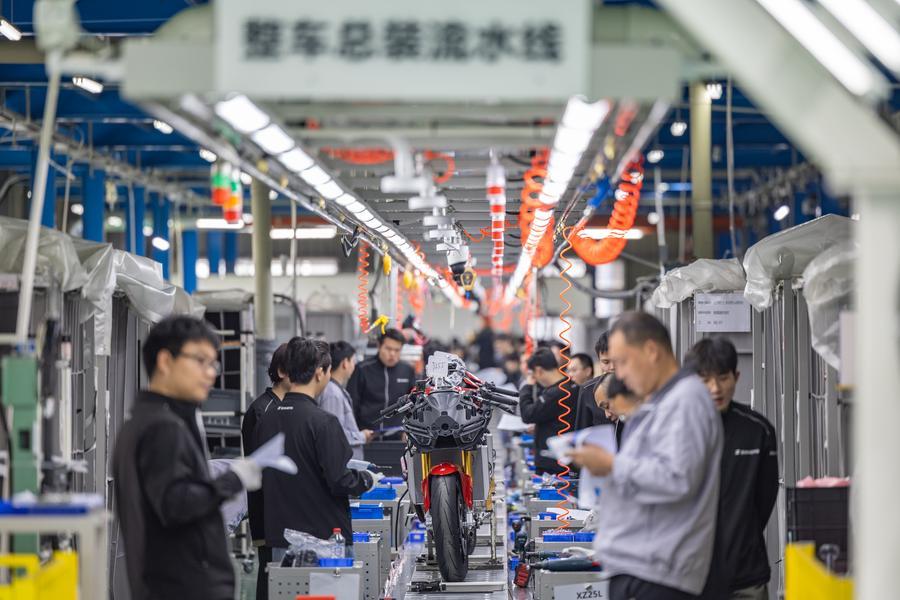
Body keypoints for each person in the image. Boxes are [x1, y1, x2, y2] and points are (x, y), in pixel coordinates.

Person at [570, 312, 722, 600]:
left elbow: (678, 478)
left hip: (661, 573)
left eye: (623, 362)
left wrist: (612, 464)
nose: (620, 374)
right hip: (640, 567)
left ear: (651, 351)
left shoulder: (686, 401)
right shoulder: (659, 402)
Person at [113, 316, 263, 600]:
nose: (210, 373)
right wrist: (232, 481)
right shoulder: (162, 427)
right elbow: (176, 504)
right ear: (165, 361)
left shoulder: (144, 420)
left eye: (213, 364)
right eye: (200, 361)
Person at [259, 337, 377, 559]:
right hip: (323, 540)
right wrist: (367, 480)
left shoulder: (266, 418)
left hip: (280, 538)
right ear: (320, 373)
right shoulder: (323, 422)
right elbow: (340, 480)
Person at [685, 338, 778, 600]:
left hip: (745, 576)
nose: (715, 388)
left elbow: (764, 499)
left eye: (723, 377)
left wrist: (740, 535)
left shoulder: (757, 430)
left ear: (736, 377)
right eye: (705, 380)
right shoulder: (674, 428)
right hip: (688, 577)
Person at [241, 343, 290, 600]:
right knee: (270, 577)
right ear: (282, 372)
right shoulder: (262, 410)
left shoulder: (285, 407)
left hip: (283, 512)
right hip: (268, 512)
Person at [519, 348, 579, 476]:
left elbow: (527, 414)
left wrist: (527, 387)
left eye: (533, 375)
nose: (534, 378)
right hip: (561, 461)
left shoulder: (555, 393)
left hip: (553, 466)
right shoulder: (571, 387)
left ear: (539, 371)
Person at [349, 328, 416, 438]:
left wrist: (410, 430)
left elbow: (414, 403)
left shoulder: (407, 370)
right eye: (388, 349)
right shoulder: (362, 369)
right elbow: (352, 404)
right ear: (379, 346)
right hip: (367, 437)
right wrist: (357, 433)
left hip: (398, 437)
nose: (392, 354)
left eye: (397, 350)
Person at [319, 341, 374, 460]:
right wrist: (362, 436)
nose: (354, 365)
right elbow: (335, 434)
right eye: (353, 361)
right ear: (345, 363)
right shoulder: (332, 393)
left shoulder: (335, 389)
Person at [574, 331, 615, 430]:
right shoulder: (587, 389)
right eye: (606, 362)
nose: (612, 367)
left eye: (617, 360)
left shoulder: (638, 388)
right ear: (599, 361)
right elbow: (582, 431)